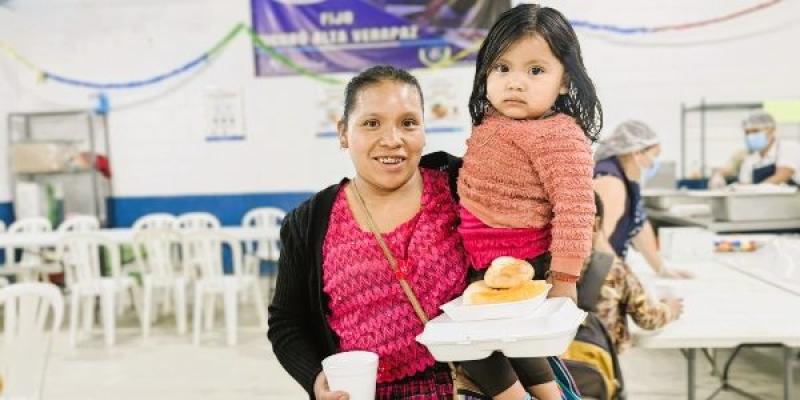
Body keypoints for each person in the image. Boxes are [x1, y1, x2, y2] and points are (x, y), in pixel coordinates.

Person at [267, 65, 482, 399]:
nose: (392, 140)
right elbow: (287, 322)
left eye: (408, 123)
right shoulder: (308, 223)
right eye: (371, 123)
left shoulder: (462, 189)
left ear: (424, 130)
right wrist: (315, 377)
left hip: (469, 388)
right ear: (343, 133)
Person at [456, 4, 600, 399]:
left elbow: (576, 209)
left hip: (525, 268)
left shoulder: (559, 135)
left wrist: (565, 279)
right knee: (511, 350)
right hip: (484, 265)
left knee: (473, 344)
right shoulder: (491, 121)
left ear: (565, 81)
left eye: (535, 71)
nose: (515, 83)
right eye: (502, 68)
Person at [583, 193, 684, 353]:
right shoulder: (614, 269)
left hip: (557, 364)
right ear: (596, 224)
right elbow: (647, 318)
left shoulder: (545, 266)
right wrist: (670, 309)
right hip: (601, 360)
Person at [593, 121, 693, 279]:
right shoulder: (610, 183)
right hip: (595, 276)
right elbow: (596, 242)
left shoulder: (627, 179)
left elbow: (638, 224)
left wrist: (661, 268)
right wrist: (629, 288)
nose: (654, 163)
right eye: (654, 155)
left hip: (606, 270)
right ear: (636, 152)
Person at [735, 111, 800, 186]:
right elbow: (745, 185)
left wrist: (756, 190)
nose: (751, 136)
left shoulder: (788, 148)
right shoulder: (750, 160)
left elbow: (782, 175)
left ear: (772, 130)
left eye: (756, 131)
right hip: (761, 197)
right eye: (747, 132)